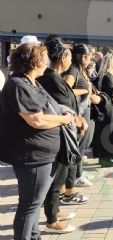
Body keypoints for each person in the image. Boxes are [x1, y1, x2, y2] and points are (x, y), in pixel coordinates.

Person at [0, 43, 75, 240]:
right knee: (29, 205)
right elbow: (37, 120)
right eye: (44, 60)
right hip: (32, 155)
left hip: (43, 154)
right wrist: (64, 120)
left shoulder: (31, 82)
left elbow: (51, 105)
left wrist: (67, 112)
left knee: (33, 204)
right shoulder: (18, 85)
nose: (46, 64)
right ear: (34, 62)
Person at [38, 35, 90, 233]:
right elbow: (61, 106)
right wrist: (76, 119)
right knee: (56, 176)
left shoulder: (55, 77)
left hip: (65, 132)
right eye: (68, 56)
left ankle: (55, 210)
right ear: (62, 58)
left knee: (60, 174)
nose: (70, 61)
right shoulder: (50, 78)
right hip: (58, 134)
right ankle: (51, 221)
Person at [62, 44, 93, 188]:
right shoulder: (73, 70)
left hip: (83, 111)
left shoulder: (80, 70)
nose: (91, 59)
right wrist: (84, 91)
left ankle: (77, 174)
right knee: (76, 147)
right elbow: (65, 91)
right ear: (83, 57)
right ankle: (72, 180)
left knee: (81, 147)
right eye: (89, 56)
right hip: (78, 113)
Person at [94, 55, 113, 167]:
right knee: (110, 134)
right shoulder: (108, 76)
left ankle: (103, 158)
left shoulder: (101, 76)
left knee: (102, 133)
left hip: (103, 108)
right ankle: (109, 159)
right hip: (110, 108)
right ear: (111, 63)